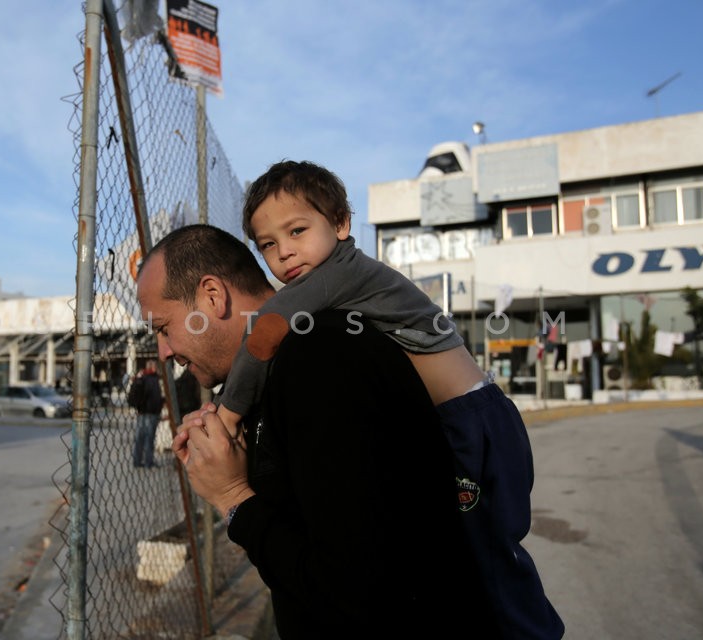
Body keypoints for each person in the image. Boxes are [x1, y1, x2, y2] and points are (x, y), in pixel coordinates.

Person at [221, 160, 564, 638]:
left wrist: (227, 411)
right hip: (477, 415)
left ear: (341, 224)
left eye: (297, 230)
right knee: (490, 545)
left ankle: (530, 631)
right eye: (269, 246)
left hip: (469, 420)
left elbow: (269, 329)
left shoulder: (336, 272)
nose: (285, 253)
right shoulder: (335, 280)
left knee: (481, 552)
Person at [137, 224, 503, 637]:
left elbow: (358, 595)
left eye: (163, 328)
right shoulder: (275, 372)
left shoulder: (318, 358)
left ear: (213, 296)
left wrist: (234, 497)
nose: (164, 352)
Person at [129, 359, 164, 468]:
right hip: (151, 412)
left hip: (142, 412)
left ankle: (137, 461)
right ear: (152, 367)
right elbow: (155, 397)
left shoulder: (142, 377)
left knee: (140, 437)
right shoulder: (153, 379)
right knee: (149, 438)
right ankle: (148, 462)